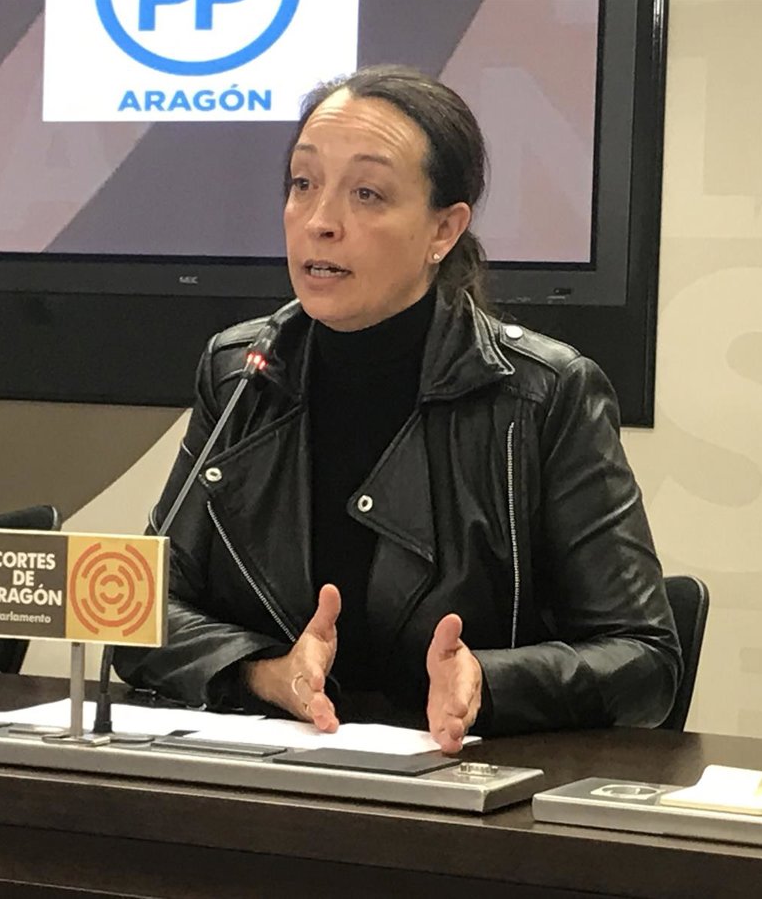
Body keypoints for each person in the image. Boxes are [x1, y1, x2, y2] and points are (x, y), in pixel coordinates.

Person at [115, 65, 681, 753]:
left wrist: (488, 681)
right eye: (303, 184)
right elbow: (136, 610)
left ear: (444, 229)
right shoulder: (242, 373)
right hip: (269, 775)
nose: (319, 222)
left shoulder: (543, 394)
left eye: (367, 193)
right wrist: (265, 673)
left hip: (464, 785)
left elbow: (644, 658)